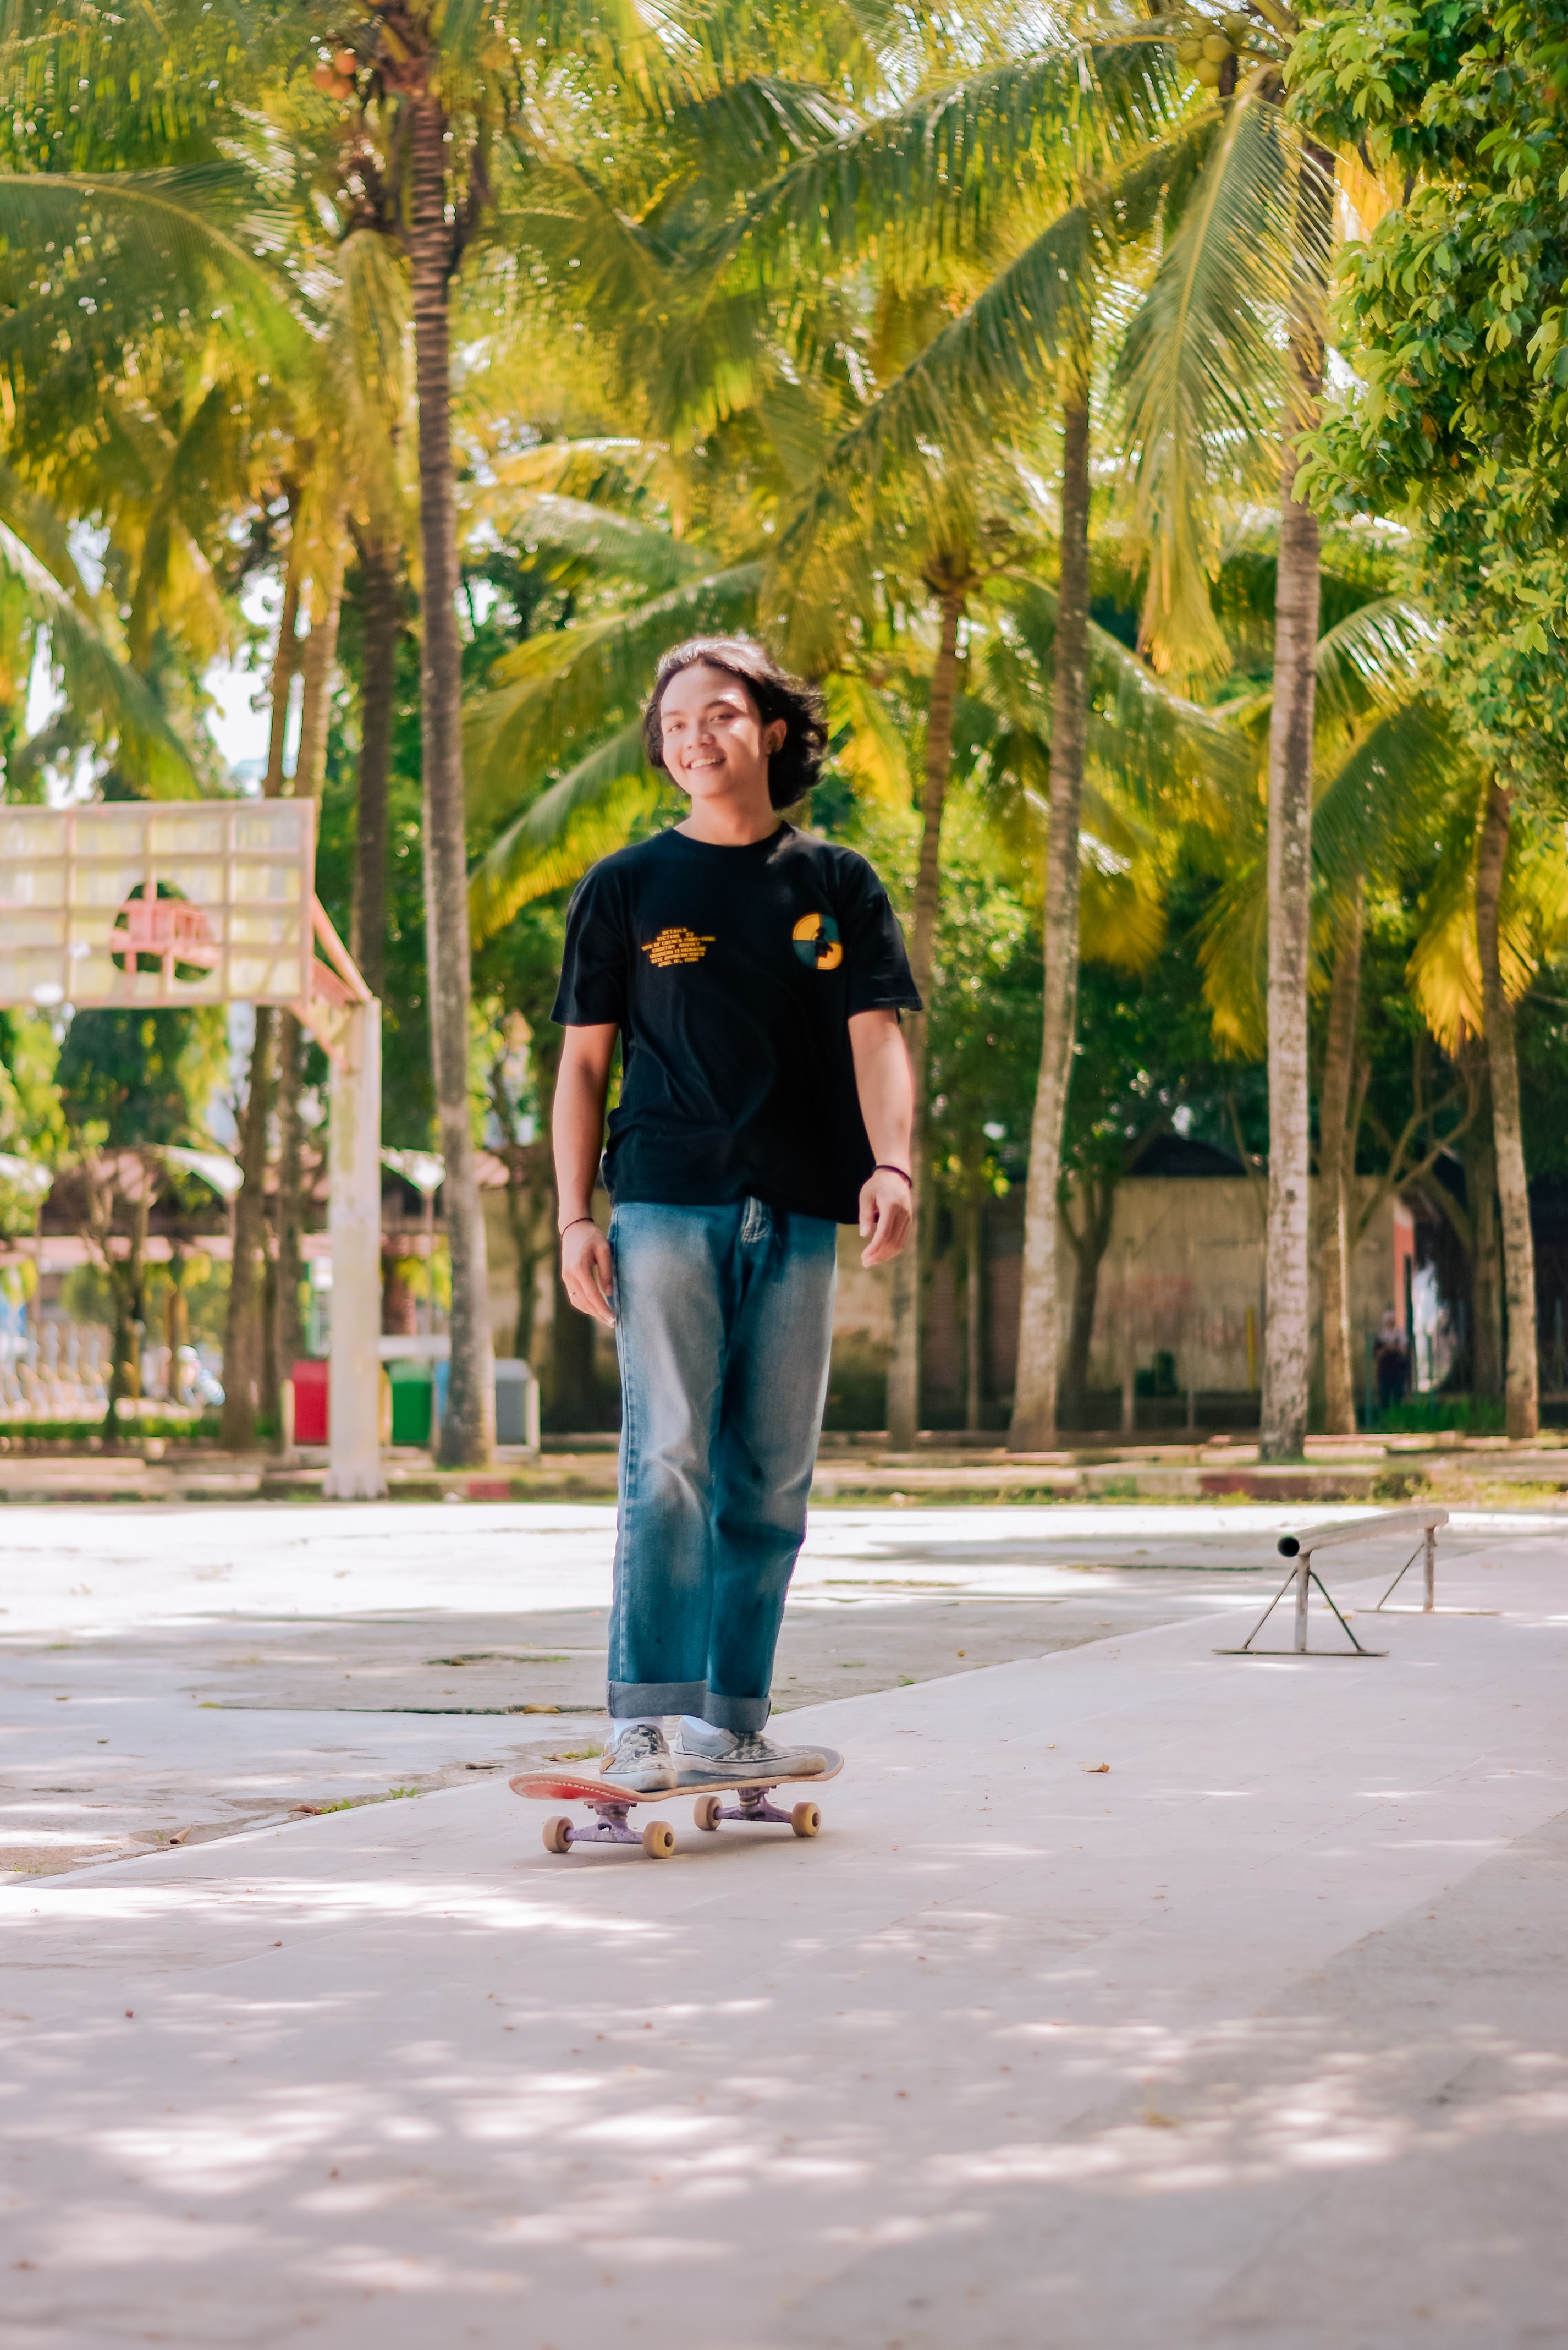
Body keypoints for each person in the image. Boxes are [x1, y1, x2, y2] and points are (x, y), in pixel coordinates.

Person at [551, 636, 919, 1792]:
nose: (693, 738)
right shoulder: (625, 887)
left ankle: (731, 1723)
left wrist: (893, 1165)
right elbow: (582, 1068)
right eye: (674, 724)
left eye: (716, 714)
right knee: (667, 1456)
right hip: (666, 1200)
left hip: (801, 1208)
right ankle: (643, 1725)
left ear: (769, 728)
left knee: (770, 1478)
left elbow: (877, 1039)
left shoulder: (837, 882)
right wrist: (573, 1217)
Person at [1374, 1308, 1410, 1413]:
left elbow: (1405, 1351)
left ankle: (1398, 1415)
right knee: (1385, 1396)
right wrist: (1386, 1348)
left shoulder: (1400, 1335)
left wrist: (1396, 1348)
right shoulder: (1381, 1337)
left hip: (1398, 1369)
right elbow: (1377, 1354)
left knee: (1398, 1395)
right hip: (1385, 1370)